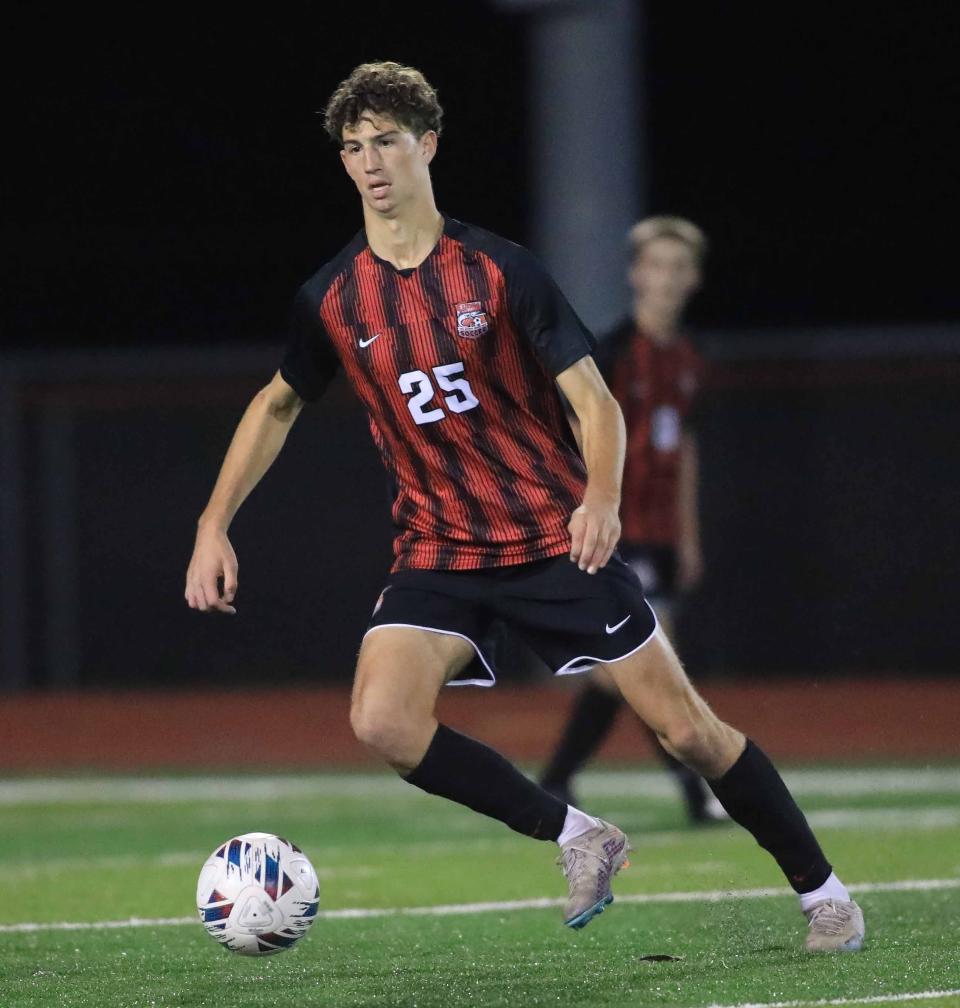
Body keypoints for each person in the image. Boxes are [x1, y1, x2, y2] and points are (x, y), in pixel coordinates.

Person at [184, 61, 864, 951]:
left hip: (549, 535)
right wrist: (211, 523)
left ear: (428, 144)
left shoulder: (500, 272)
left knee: (687, 732)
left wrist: (603, 500)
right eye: (352, 148)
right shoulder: (333, 297)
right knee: (383, 721)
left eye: (386, 141)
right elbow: (276, 403)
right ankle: (582, 835)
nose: (369, 164)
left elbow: (595, 402)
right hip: (437, 549)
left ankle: (826, 895)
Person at [539, 216, 725, 824]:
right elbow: (572, 427)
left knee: (622, 673)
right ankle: (699, 793)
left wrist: (689, 536)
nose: (666, 278)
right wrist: (586, 507)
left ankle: (558, 778)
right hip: (618, 529)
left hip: (661, 535)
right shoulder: (613, 351)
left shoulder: (691, 359)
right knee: (651, 660)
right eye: (656, 265)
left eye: (678, 266)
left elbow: (686, 448)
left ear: (693, 277)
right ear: (635, 275)